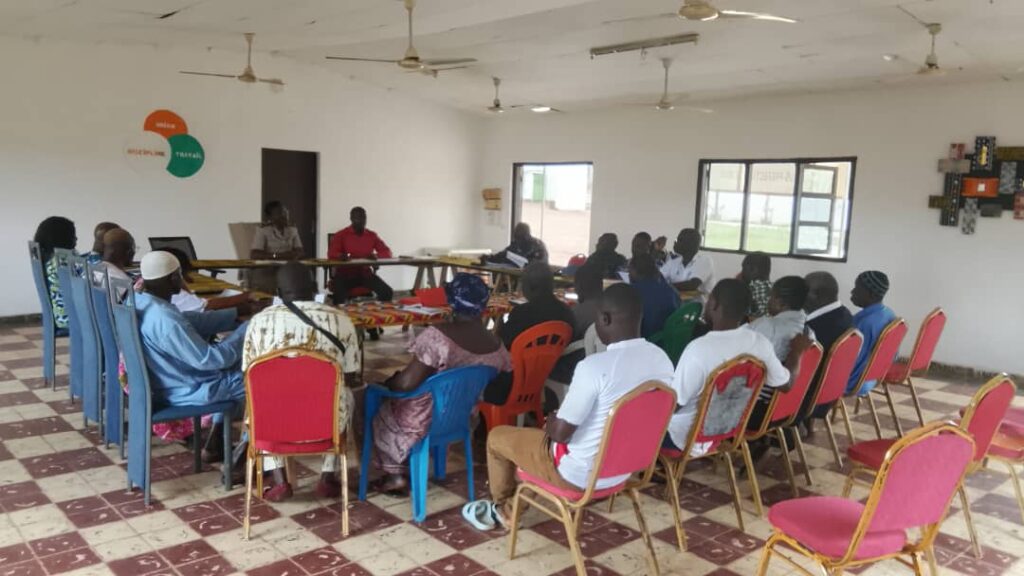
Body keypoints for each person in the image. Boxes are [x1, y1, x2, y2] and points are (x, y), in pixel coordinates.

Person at [469, 283, 674, 529]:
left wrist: (552, 421)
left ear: (605, 319)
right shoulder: (662, 360)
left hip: (580, 476)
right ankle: (513, 507)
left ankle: (502, 510)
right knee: (541, 450)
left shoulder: (594, 367)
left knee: (498, 438)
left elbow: (560, 435)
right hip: (626, 470)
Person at [371, 273, 511, 495]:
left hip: (423, 421)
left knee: (372, 400)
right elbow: (502, 387)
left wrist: (389, 383)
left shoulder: (438, 336)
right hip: (462, 419)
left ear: (452, 301)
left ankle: (394, 475)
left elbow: (406, 384)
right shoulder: (496, 344)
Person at [242, 262, 361, 501]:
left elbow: (249, 373)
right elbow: (349, 375)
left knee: (256, 398)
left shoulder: (258, 322)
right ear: (315, 288)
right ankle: (327, 476)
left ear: (278, 292)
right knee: (346, 393)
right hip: (326, 423)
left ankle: (279, 480)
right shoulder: (342, 320)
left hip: (274, 424)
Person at [666, 279, 809, 455]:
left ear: (714, 304)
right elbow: (786, 385)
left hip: (684, 438)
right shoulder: (759, 343)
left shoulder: (698, 348)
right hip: (727, 430)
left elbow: (673, 405)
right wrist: (796, 352)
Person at [134, 251, 248, 461]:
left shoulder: (143, 301)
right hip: (187, 389)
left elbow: (189, 321)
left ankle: (215, 443)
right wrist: (248, 329)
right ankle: (247, 456)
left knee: (242, 363)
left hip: (168, 380)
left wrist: (234, 314)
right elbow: (211, 360)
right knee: (261, 377)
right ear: (174, 278)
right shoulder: (164, 320)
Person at [488, 263, 574, 405]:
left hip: (512, 383)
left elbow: (501, 344)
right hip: (545, 376)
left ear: (528, 287)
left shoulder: (522, 313)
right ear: (552, 285)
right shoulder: (566, 311)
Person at [799, 271, 854, 433]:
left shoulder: (815, 329)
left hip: (806, 397)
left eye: (804, 292)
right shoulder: (845, 314)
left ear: (818, 295)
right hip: (829, 393)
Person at [549, 262, 604, 385]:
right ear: (601, 285)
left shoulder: (576, 313)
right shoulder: (613, 308)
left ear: (578, 287)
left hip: (574, 370)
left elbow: (562, 344)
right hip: (604, 369)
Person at [328, 206, 394, 303]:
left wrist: (376, 256)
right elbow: (331, 254)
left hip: (365, 274)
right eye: (357, 218)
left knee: (387, 292)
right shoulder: (341, 235)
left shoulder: (371, 235)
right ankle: (341, 313)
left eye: (363, 218)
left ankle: (377, 311)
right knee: (339, 296)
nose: (360, 221)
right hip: (345, 275)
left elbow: (387, 252)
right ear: (351, 219)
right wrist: (341, 256)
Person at [846, 271, 896, 396]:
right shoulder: (888, 314)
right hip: (873, 378)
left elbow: (850, 361)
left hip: (853, 381)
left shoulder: (865, 324)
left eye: (857, 288)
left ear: (871, 294)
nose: (852, 291)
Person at [746, 276, 811, 362]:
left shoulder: (767, 326)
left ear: (781, 304)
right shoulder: (809, 331)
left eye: (771, 297)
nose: (768, 301)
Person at [33, 216, 77, 331]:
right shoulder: (64, 261)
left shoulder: (49, 257)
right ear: (62, 238)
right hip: (70, 317)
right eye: (73, 235)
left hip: (58, 315)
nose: (76, 239)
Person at [628, 254, 680, 339]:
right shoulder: (671, 290)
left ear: (633, 271)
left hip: (645, 340)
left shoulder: (630, 293)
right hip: (668, 340)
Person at [660, 229, 715, 299]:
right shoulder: (673, 262)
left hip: (698, 304)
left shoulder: (705, 260)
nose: (675, 242)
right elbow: (657, 277)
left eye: (679, 240)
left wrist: (665, 286)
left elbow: (693, 284)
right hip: (676, 302)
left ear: (690, 244)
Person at [483, 222, 548, 266]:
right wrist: (489, 258)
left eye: (520, 238)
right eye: (516, 237)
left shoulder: (538, 245)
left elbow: (540, 264)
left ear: (527, 236)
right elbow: (503, 254)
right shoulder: (516, 243)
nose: (518, 241)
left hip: (536, 276)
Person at [740, 252, 772, 318]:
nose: (742, 272)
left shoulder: (752, 289)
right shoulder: (774, 287)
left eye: (743, 268)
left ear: (753, 269)